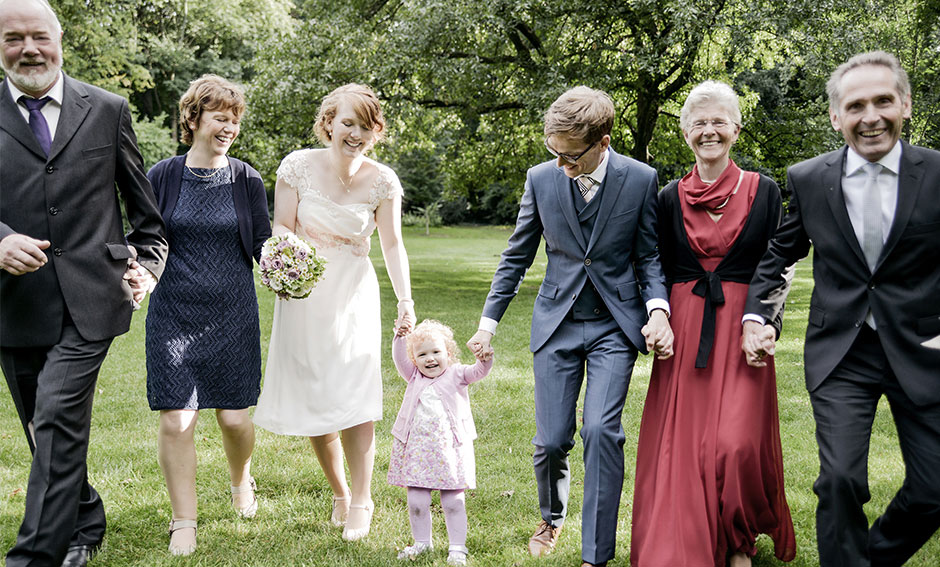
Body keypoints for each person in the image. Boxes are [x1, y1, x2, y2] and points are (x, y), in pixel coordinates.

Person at [743, 50, 940, 566]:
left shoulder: (939, 173)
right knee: (839, 481)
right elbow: (779, 256)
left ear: (905, 105)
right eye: (856, 106)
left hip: (924, 348)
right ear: (836, 116)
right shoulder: (809, 178)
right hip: (842, 352)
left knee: (935, 487)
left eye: (883, 101)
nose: (870, 116)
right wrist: (757, 317)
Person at [467, 86, 674, 567]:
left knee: (601, 431)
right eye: (553, 153)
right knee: (552, 439)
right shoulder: (541, 179)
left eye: (570, 155)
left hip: (614, 328)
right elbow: (516, 255)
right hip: (556, 325)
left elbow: (648, 256)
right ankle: (552, 515)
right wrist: (487, 325)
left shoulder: (641, 179)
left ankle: (595, 555)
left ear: (603, 140)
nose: (561, 164)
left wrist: (658, 310)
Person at [0, 0, 168, 565]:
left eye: (39, 36)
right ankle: (85, 515)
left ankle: (36, 556)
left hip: (92, 300)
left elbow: (148, 221)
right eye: (13, 38)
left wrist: (145, 266)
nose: (29, 49)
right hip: (13, 305)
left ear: (59, 38)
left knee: (53, 413)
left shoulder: (107, 109)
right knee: (44, 429)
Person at [630, 81, 796, 567]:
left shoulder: (763, 191)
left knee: (736, 444)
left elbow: (780, 264)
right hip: (686, 327)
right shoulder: (666, 197)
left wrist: (767, 323)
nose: (709, 131)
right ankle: (709, 543)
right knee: (688, 446)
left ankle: (738, 536)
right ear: (685, 133)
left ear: (736, 129)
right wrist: (658, 312)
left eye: (719, 121)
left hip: (744, 327)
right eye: (699, 123)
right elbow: (652, 263)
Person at [253, 83, 416, 541]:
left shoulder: (384, 181)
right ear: (328, 123)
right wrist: (287, 259)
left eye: (366, 127)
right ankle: (340, 492)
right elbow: (282, 224)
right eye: (348, 123)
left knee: (355, 395)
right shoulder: (297, 167)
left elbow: (392, 243)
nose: (356, 133)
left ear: (375, 132)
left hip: (353, 293)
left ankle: (362, 499)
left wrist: (406, 302)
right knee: (317, 397)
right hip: (304, 294)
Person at [144, 75, 271, 555]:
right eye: (221, 116)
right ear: (193, 118)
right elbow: (148, 237)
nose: (229, 126)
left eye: (235, 119)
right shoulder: (162, 175)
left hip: (233, 313)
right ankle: (184, 520)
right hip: (175, 310)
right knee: (177, 420)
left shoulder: (246, 178)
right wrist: (139, 272)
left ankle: (241, 481)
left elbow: (262, 243)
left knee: (235, 419)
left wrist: (287, 268)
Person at [388, 320, 493, 566]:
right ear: (414, 359)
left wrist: (484, 358)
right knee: (416, 502)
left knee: (453, 502)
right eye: (422, 354)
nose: (430, 359)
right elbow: (399, 359)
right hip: (418, 452)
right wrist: (400, 337)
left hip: (451, 451)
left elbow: (479, 371)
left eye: (436, 352)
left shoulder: (457, 374)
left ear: (449, 353)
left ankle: (457, 548)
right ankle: (422, 543)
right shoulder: (413, 376)